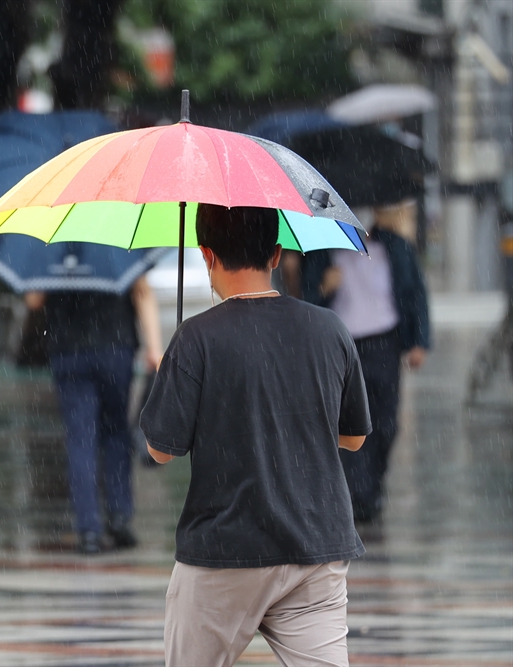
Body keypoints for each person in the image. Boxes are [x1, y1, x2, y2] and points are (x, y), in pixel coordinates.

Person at [140, 204, 370, 666]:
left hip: (224, 550)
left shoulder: (196, 338)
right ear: (276, 254)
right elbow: (354, 438)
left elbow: (161, 450)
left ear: (206, 255)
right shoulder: (328, 329)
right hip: (315, 543)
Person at [301, 215, 430, 522]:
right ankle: (358, 495)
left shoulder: (395, 247)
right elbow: (307, 299)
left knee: (385, 423)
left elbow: (414, 293)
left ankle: (371, 484)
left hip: (386, 344)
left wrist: (419, 341)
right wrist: (324, 286)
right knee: (350, 423)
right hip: (344, 346)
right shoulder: (324, 249)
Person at [25, 275, 162, 555]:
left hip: (69, 349)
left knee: (80, 439)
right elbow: (142, 291)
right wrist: (154, 348)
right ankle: (119, 516)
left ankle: (89, 529)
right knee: (116, 432)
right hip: (115, 345)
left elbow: (34, 300)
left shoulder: (55, 242)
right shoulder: (119, 238)